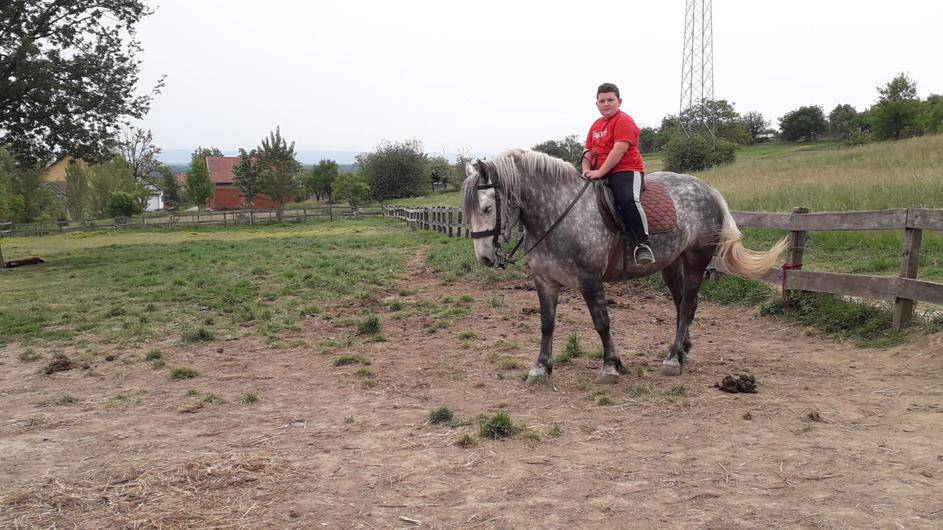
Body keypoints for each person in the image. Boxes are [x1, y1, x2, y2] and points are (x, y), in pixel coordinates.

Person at [582, 82, 655, 265]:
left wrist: (599, 171)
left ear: (619, 101)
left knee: (628, 200)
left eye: (610, 100)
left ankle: (642, 244)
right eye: (602, 101)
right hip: (599, 171)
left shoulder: (624, 120)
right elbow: (587, 151)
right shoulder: (596, 125)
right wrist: (585, 170)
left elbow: (619, 150)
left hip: (626, 170)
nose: (606, 104)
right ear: (596, 104)